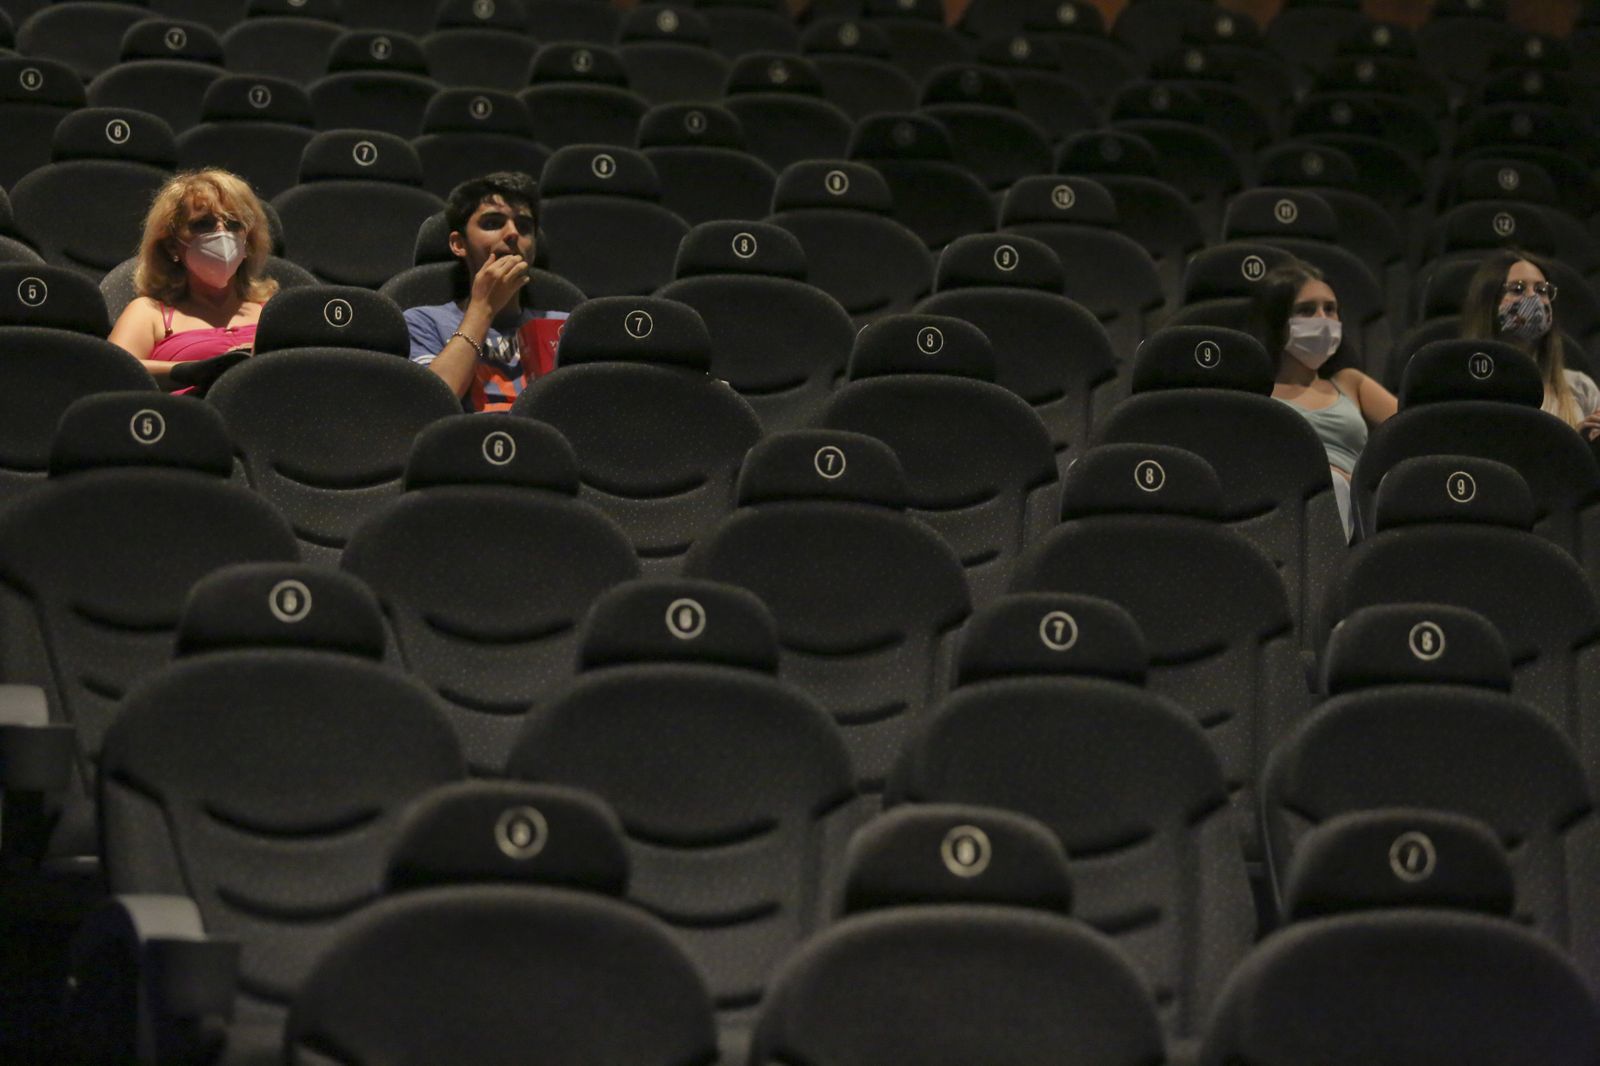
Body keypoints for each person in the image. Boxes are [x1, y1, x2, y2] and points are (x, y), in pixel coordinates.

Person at [1249, 260, 1397, 536]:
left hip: (1356, 508)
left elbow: (1414, 432)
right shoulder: (1256, 392)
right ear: (1278, 321)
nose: (1323, 319)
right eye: (1307, 310)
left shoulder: (1350, 382)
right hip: (1283, 506)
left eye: (1330, 309)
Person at [403, 172, 568, 412]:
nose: (512, 233)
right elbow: (430, 403)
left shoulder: (565, 326)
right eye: (493, 223)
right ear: (459, 244)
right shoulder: (423, 322)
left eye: (524, 226)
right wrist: (483, 308)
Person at [108, 169, 276, 390]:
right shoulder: (149, 312)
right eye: (203, 224)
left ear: (248, 242)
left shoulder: (273, 309)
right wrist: (191, 371)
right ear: (171, 246)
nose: (222, 233)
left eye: (234, 224)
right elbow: (111, 371)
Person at [1460, 248, 1600, 441]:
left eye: (1542, 290)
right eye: (1518, 289)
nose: (1533, 298)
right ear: (1489, 301)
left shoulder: (1580, 388)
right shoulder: (1462, 386)